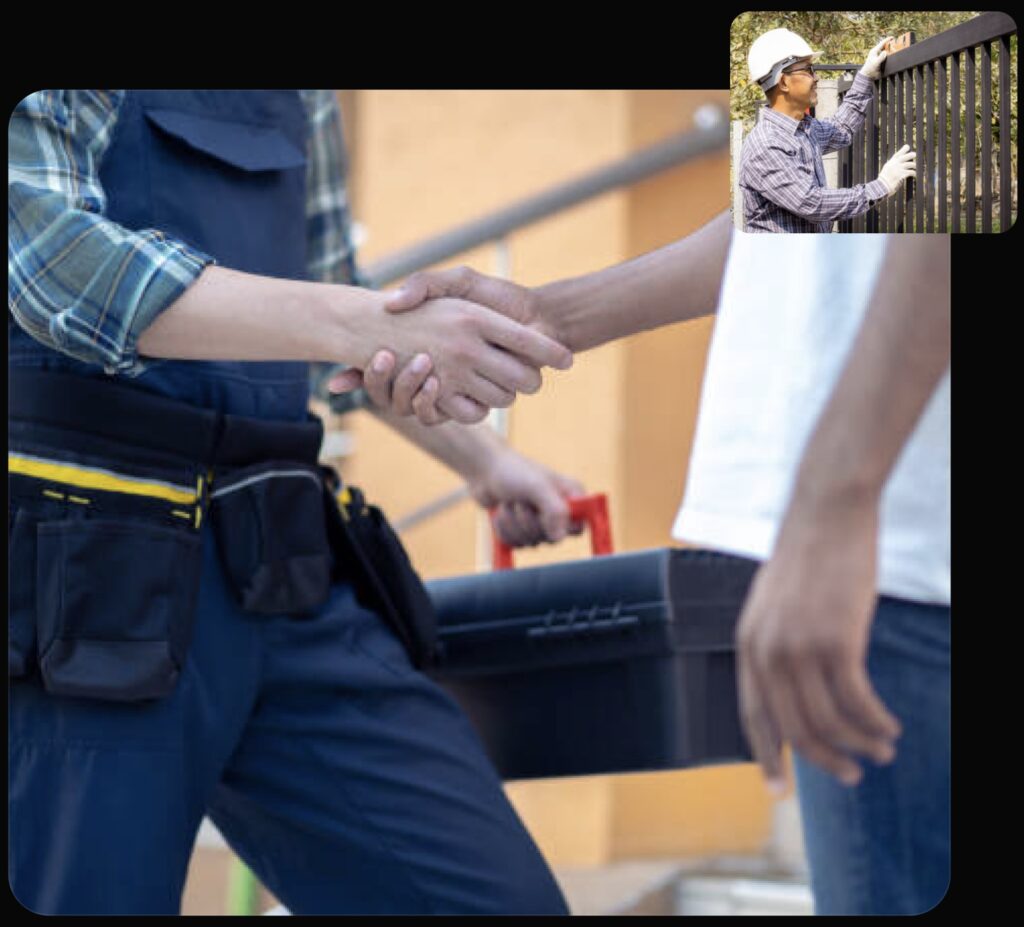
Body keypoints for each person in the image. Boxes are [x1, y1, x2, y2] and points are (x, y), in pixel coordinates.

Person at [7, 89, 582, 915]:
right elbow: (46, 257)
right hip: (88, 581)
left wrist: (486, 460)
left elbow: (327, 290)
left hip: (281, 565)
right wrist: (354, 323)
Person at [347, 219, 951, 915]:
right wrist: (549, 315)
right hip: (882, 529)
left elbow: (956, 181)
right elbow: (794, 198)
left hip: (900, 541)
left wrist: (831, 506)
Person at [740, 29, 917, 233]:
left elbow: (841, 128)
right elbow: (811, 203)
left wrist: (865, 76)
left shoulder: (803, 129)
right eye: (808, 69)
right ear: (783, 82)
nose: (816, 78)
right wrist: (882, 185)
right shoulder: (765, 144)